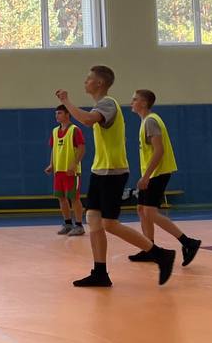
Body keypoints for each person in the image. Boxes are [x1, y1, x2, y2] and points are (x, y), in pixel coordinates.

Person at [56, 66, 175, 288]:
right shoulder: (101, 105)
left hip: (113, 172)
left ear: (99, 83)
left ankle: (161, 255)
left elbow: (88, 120)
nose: (85, 82)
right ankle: (100, 272)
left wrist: (66, 101)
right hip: (99, 170)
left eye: (89, 79)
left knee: (109, 224)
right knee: (93, 219)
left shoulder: (108, 104)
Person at [130, 89, 202, 266]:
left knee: (150, 212)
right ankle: (149, 249)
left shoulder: (151, 121)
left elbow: (159, 151)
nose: (131, 102)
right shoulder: (146, 121)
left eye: (135, 99)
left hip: (158, 173)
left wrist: (146, 176)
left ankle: (188, 242)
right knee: (142, 209)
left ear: (144, 103)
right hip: (153, 173)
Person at [45, 104, 86, 236]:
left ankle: (79, 225)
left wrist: (74, 164)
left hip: (71, 171)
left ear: (67, 114)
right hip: (59, 171)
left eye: (60, 113)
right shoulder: (54, 131)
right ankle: (68, 224)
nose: (57, 116)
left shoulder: (75, 130)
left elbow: (82, 148)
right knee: (61, 198)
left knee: (74, 198)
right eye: (56, 113)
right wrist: (51, 164)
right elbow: (54, 149)